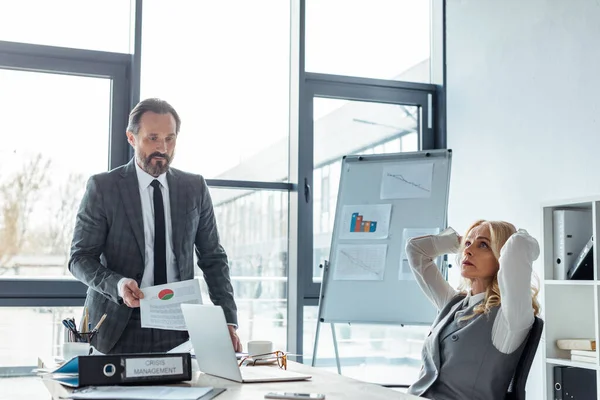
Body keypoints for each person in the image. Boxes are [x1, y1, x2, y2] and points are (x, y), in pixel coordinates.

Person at [69, 98, 241, 354]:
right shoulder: (104, 188)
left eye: (170, 139)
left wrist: (227, 320)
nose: (163, 147)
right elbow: (80, 258)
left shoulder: (194, 188)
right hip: (119, 323)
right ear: (131, 138)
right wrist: (117, 284)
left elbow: (213, 258)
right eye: (153, 138)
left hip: (179, 324)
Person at [405, 220, 540, 400]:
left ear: (502, 257)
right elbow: (415, 250)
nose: (467, 251)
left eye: (483, 245)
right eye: (467, 245)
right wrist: (461, 242)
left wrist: (498, 240)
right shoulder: (453, 303)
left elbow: (518, 247)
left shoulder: (510, 317)